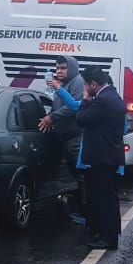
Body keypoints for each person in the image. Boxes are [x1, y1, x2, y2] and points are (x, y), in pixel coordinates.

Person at [76, 68, 126, 251]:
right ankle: (106, 233)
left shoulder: (103, 101)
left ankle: (109, 238)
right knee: (106, 197)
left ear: (93, 84)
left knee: (104, 198)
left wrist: (85, 100)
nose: (85, 88)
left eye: (86, 85)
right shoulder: (113, 96)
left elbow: (81, 119)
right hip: (109, 156)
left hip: (103, 157)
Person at [38, 56, 87, 223]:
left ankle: (87, 214)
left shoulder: (77, 83)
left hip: (75, 138)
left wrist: (52, 118)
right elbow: (56, 106)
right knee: (75, 177)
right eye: (57, 68)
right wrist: (48, 115)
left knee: (81, 177)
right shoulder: (62, 85)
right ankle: (80, 211)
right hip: (65, 138)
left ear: (71, 68)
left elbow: (74, 107)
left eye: (63, 68)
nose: (59, 71)